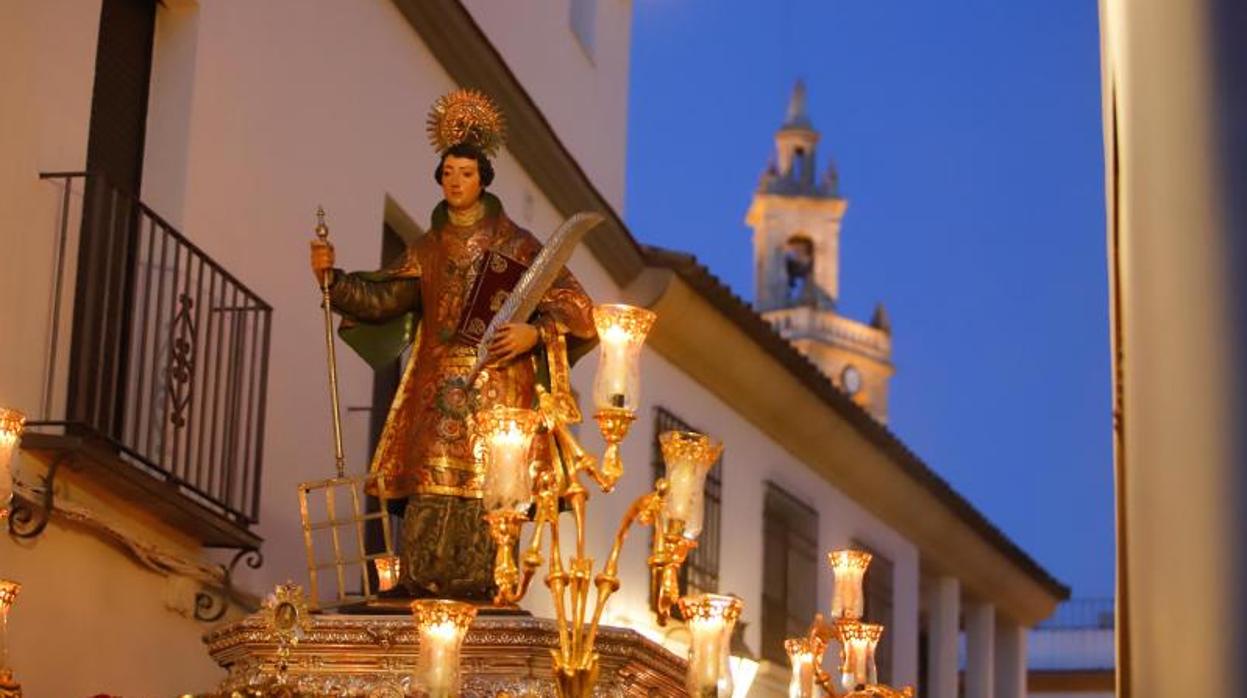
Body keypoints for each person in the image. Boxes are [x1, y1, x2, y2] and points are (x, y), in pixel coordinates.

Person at [309, 90, 595, 600]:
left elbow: (577, 309)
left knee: (490, 487)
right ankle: (420, 577)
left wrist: (535, 333)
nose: (455, 182)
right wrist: (332, 279)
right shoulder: (427, 248)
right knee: (428, 482)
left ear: (483, 178)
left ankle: (485, 580)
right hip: (436, 386)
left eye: (464, 173)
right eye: (447, 174)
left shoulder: (519, 246)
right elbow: (384, 298)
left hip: (499, 387)